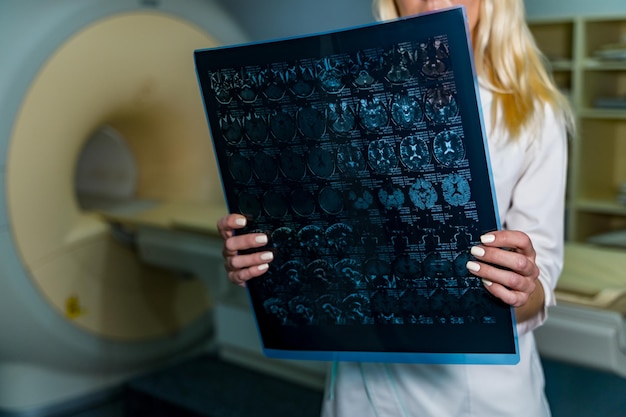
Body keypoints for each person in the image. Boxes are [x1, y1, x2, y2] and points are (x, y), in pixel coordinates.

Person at [217, 0, 574, 415]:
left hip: (481, 393)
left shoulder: (532, 113)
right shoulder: (337, 101)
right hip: (364, 385)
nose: (434, 3)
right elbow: (322, 238)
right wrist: (260, 256)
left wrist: (520, 286)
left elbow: (540, 279)